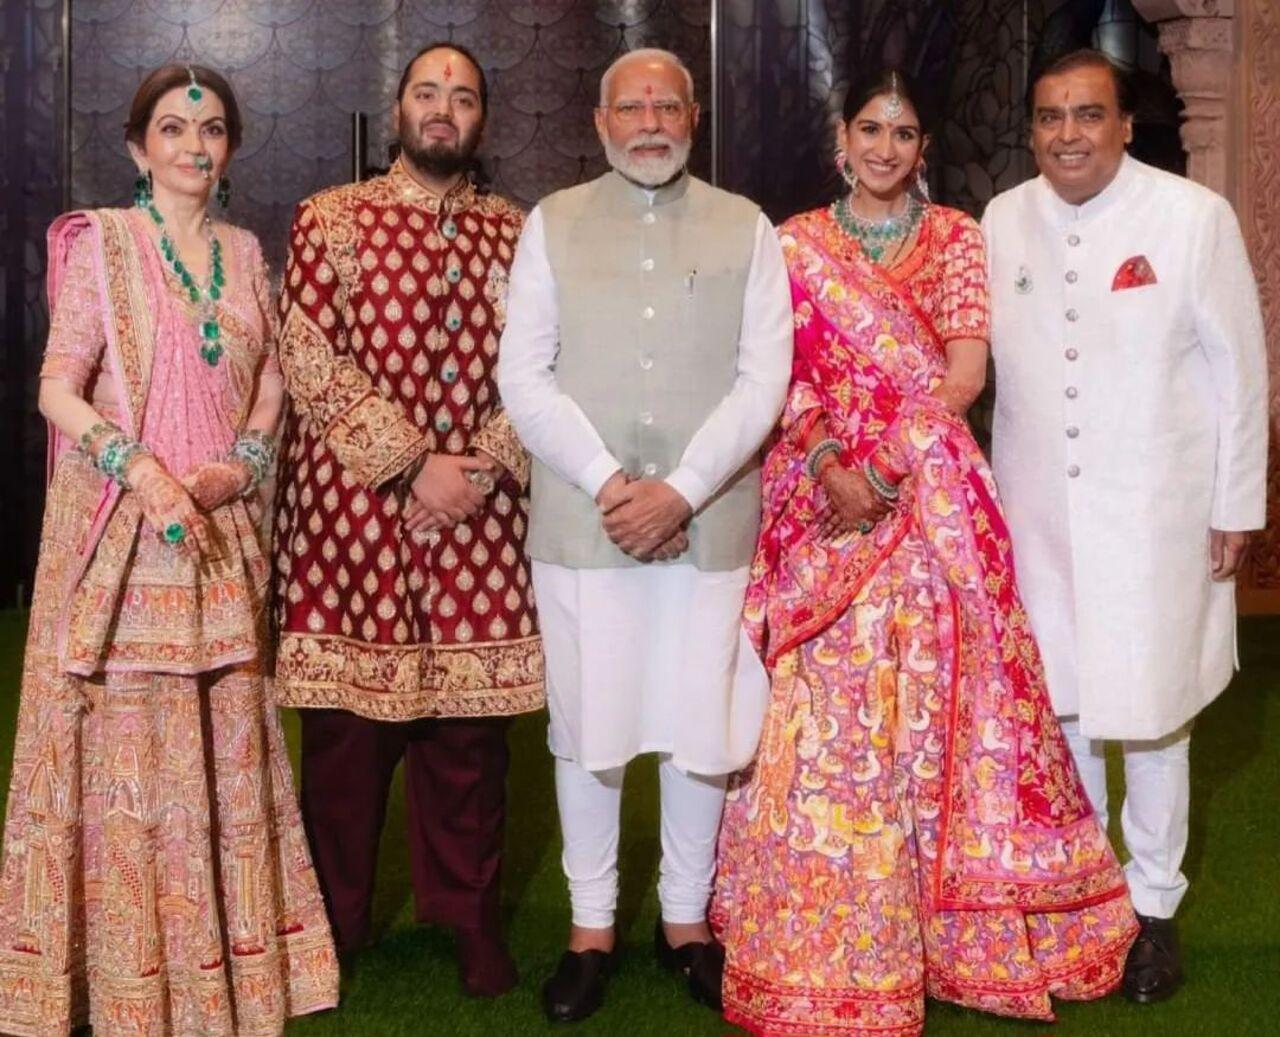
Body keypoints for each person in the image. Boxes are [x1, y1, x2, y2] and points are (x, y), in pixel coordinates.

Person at [711, 68, 1139, 1037]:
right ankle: (817, 935)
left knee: (935, 700)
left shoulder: (954, 237)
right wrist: (828, 460)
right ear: (839, 136)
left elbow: (962, 369)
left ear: (921, 149)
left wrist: (890, 466)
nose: (884, 148)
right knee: (823, 706)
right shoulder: (792, 245)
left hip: (927, 494)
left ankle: (946, 935)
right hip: (816, 494)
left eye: (903, 134)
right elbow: (782, 370)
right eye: (870, 129)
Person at [0, 65, 338, 1036]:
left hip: (221, 535)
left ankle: (225, 975)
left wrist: (243, 460)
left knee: (225, 741)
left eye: (214, 128)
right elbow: (56, 387)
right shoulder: (105, 246)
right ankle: (129, 978)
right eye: (175, 128)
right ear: (137, 147)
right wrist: (138, 467)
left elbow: (269, 380)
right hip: (127, 533)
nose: (196, 145)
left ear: (229, 148)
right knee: (134, 759)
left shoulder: (242, 251)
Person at [498, 47, 793, 1023]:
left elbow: (763, 380)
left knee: (697, 718)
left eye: (668, 103)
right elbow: (523, 377)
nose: (651, 120)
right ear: (599, 121)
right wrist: (613, 484)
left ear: (693, 116)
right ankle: (589, 927)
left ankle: (683, 919)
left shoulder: (745, 228)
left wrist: (683, 489)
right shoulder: (551, 225)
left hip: (706, 524)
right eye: (632, 106)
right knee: (589, 723)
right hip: (584, 525)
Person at [982, 49, 1268, 1004]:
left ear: (1125, 124)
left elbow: (1241, 370)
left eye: (1088, 114)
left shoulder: (1193, 218)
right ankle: (1081, 895)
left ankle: (1152, 910)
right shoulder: (1001, 218)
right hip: (1037, 515)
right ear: (1032, 129)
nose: (1068, 133)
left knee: (1151, 717)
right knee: (1060, 709)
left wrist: (1238, 503)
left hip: (1157, 514)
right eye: (1051, 116)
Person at [271, 42, 542, 997]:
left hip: (481, 510)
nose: (443, 110)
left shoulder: (520, 234)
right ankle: (335, 927)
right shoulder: (330, 221)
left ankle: (470, 920)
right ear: (397, 110)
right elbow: (308, 355)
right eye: (427, 92)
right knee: (346, 744)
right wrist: (411, 465)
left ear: (481, 120)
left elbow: (546, 363)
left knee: (470, 744)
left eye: (462, 97)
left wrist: (481, 466)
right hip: (356, 516)